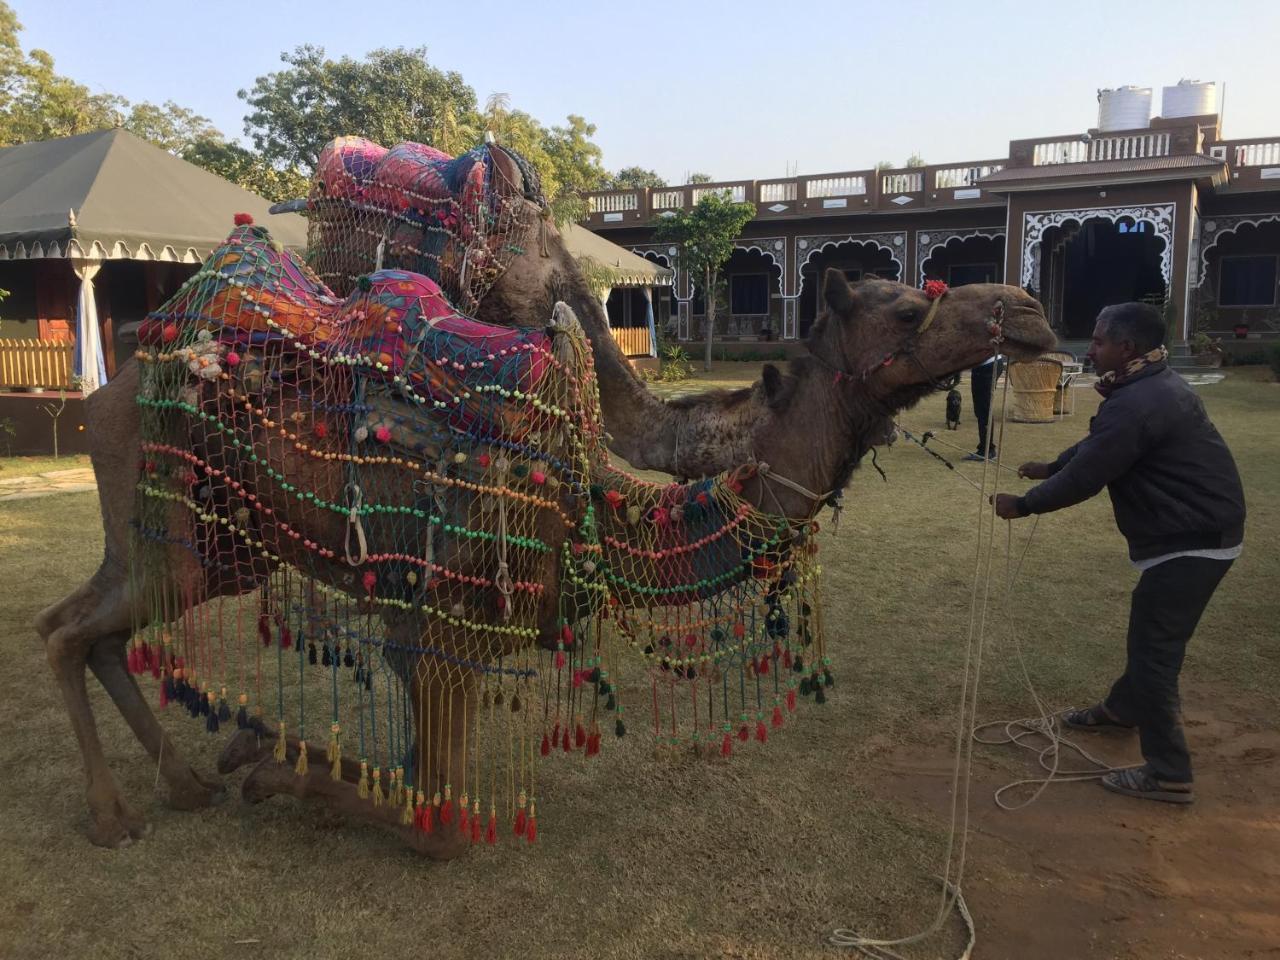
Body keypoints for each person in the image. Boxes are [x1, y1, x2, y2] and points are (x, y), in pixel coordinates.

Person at [993, 302, 1245, 804]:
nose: (1092, 349)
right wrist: (1050, 466)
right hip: (1197, 533)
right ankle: (1121, 711)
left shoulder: (1138, 402)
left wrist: (1024, 505)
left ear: (1125, 347)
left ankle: (1169, 772)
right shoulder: (1145, 386)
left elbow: (1090, 473)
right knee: (1151, 639)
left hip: (1192, 542)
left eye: (1099, 341)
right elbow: (1097, 445)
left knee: (1155, 654)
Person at [963, 354, 1005, 461]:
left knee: (983, 409)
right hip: (986, 364)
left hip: (987, 365)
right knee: (981, 409)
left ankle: (987, 451)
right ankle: (985, 448)